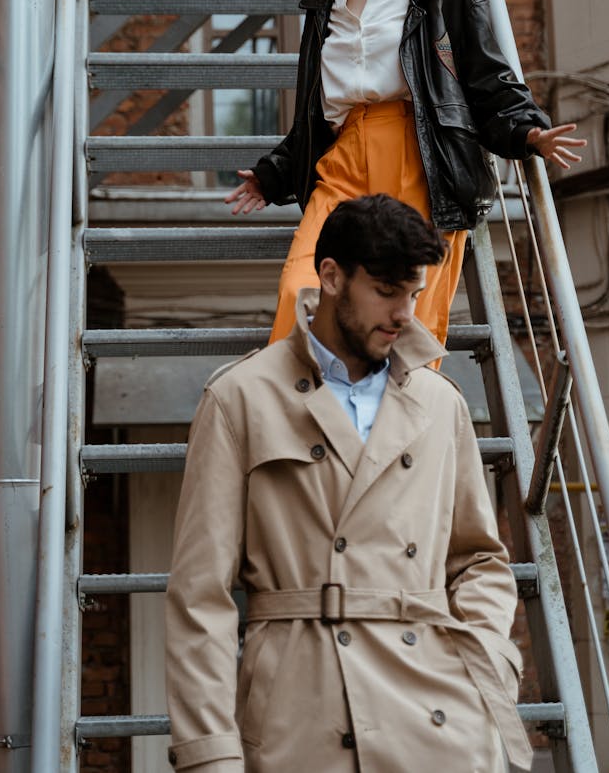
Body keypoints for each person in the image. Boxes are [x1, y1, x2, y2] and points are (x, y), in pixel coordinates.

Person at [165, 194, 533, 772]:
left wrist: (487, 662)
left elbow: (479, 560)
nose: (405, 313)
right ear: (331, 277)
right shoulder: (241, 397)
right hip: (304, 715)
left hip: (436, 718)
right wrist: (211, 754)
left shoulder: (440, 402)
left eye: (413, 293)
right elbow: (199, 597)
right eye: (386, 291)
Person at [225, 0, 585, 348]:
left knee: (401, 325)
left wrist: (528, 130)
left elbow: (486, 77)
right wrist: (274, 173)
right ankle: (300, 423)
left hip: (423, 157)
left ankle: (389, 427)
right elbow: (321, 107)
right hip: (345, 159)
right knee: (302, 292)